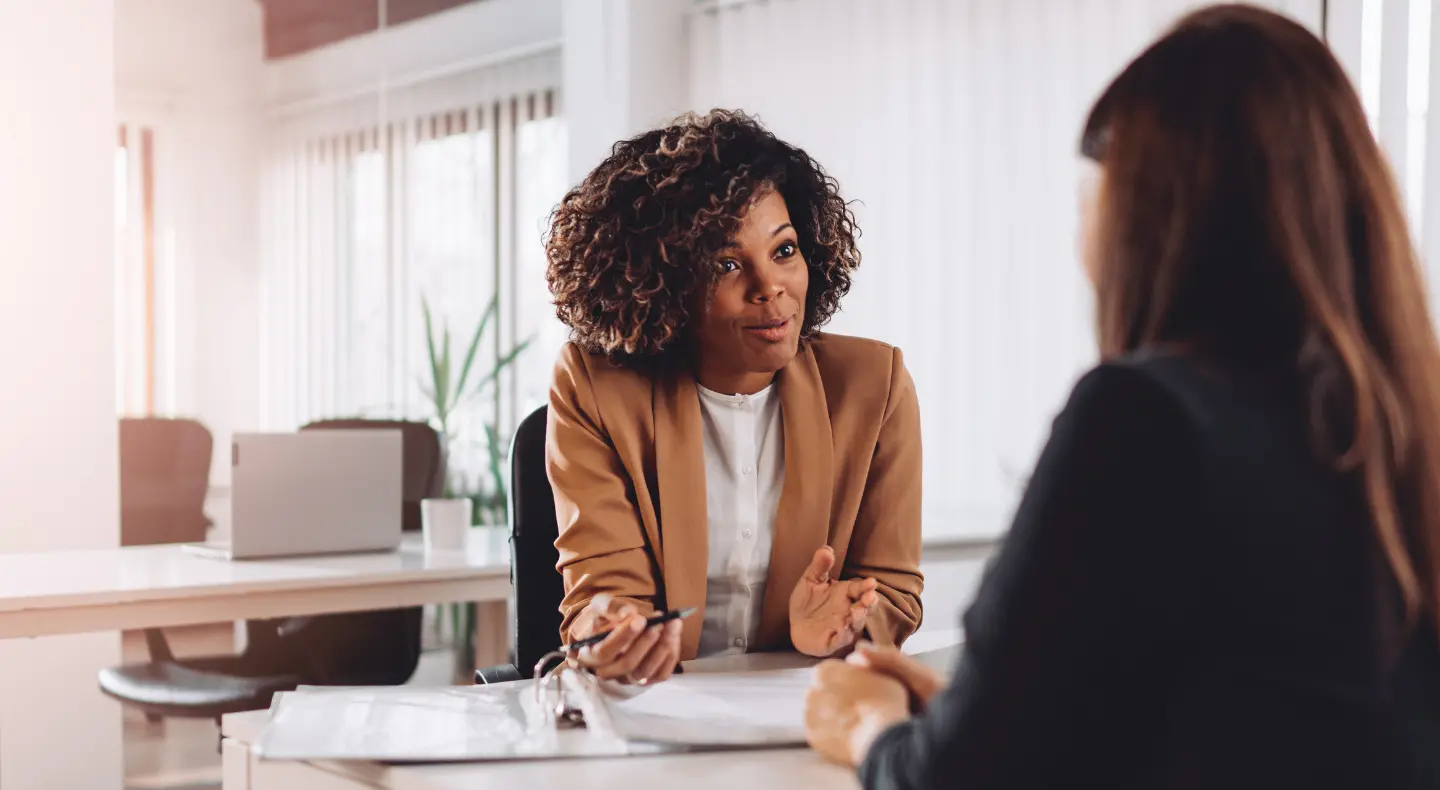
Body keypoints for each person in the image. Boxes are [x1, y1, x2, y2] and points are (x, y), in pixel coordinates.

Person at [805, 5, 1440, 789]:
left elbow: (959, 782)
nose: (1083, 210)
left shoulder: (1146, 419)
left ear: (1155, 210)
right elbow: (1257, 725)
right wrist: (981, 711)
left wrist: (869, 729)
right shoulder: (1395, 427)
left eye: (1099, 177)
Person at [543, 110, 925, 685]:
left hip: (801, 710)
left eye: (784, 250)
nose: (769, 285)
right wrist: (611, 630)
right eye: (726, 264)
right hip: (656, 714)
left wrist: (847, 623)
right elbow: (602, 590)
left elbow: (892, 590)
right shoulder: (595, 387)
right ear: (663, 283)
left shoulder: (874, 385)